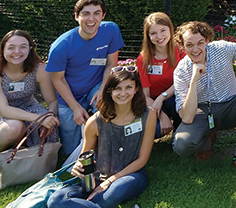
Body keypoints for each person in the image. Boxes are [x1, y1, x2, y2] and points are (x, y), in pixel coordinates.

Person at [47, 66, 156, 208]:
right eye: (117, 88)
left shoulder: (148, 115)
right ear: (110, 91)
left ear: (136, 89)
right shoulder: (94, 122)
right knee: (56, 200)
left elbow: (142, 160)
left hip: (129, 176)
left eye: (128, 87)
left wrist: (109, 182)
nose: (123, 93)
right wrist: (78, 166)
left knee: (114, 193)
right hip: (97, 178)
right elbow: (84, 156)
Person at [172, 20, 236, 172]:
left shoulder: (222, 49)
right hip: (203, 112)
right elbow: (187, 118)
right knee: (181, 144)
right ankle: (206, 143)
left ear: (207, 41)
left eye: (200, 43)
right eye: (189, 45)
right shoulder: (181, 71)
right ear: (182, 46)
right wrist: (194, 80)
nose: (196, 49)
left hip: (231, 104)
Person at [46, 0, 125, 156]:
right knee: (71, 152)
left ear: (103, 16)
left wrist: (103, 89)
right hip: (68, 95)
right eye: (86, 13)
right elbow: (58, 79)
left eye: (97, 13)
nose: (91, 19)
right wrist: (75, 107)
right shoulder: (61, 46)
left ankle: (115, 148)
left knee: (110, 103)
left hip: (96, 85)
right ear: (76, 17)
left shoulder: (111, 30)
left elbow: (111, 64)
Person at [0, 30, 59, 150]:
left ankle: (37, 157)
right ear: (3, 49)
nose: (17, 52)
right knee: (14, 127)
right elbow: (4, 110)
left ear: (30, 49)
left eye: (23, 47)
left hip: (29, 106)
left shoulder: (40, 69)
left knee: (48, 124)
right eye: (11, 47)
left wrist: (49, 116)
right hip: (3, 112)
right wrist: (38, 119)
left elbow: (53, 101)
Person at [136, 12, 183, 138]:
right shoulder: (143, 59)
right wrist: (161, 115)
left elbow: (183, 82)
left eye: (163, 30)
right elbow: (145, 95)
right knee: (155, 131)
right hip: (153, 103)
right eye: (153, 33)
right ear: (148, 36)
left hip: (176, 98)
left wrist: (162, 97)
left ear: (170, 29)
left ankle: (180, 132)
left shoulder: (180, 51)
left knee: (179, 101)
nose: (159, 36)